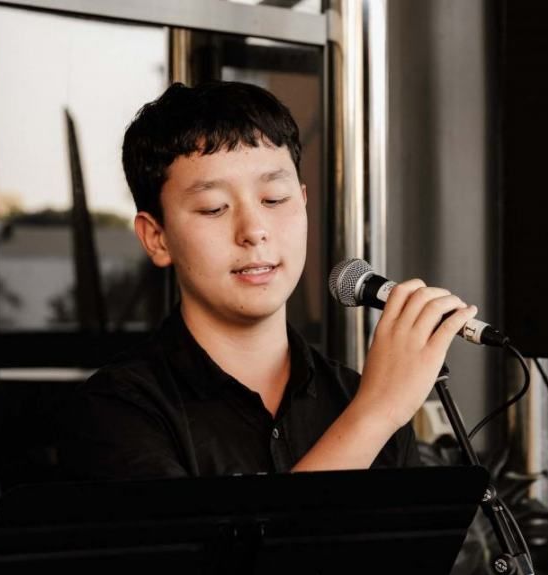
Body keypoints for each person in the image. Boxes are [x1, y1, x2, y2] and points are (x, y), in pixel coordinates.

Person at [60, 81, 477, 480]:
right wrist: (374, 415)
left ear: (304, 203)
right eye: (213, 208)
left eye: (274, 200)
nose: (254, 230)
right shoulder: (117, 410)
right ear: (157, 237)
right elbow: (222, 558)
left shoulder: (354, 396)